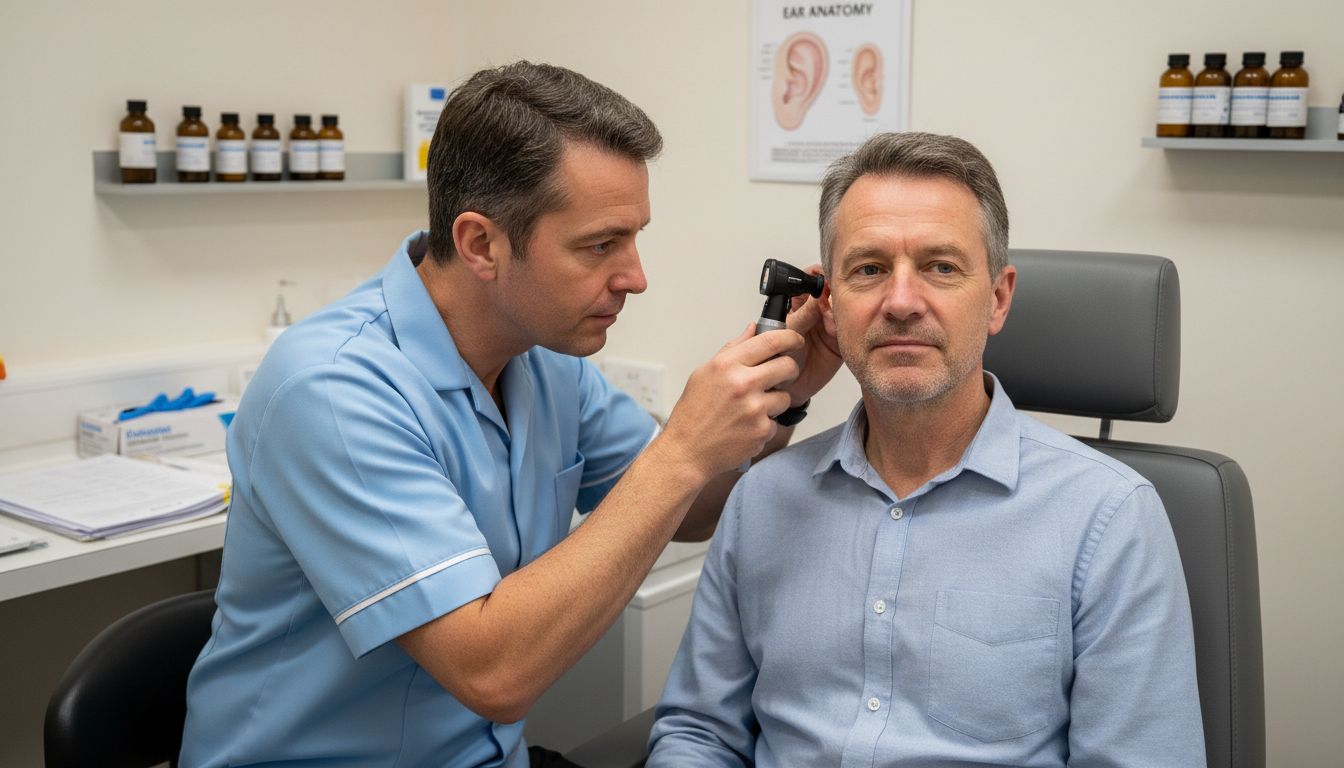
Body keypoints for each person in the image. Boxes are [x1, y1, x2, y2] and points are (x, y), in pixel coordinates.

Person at [179, 61, 839, 768]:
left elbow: (692, 511)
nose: (636, 277)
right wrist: (681, 446)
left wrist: (786, 395)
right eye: (599, 245)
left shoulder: (545, 359)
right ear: (480, 245)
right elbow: (494, 674)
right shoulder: (332, 391)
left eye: (635, 237)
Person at [646, 132, 1206, 767]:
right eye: (869, 269)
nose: (902, 302)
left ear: (997, 298)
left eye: (941, 267)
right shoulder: (763, 496)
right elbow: (699, 734)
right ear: (828, 306)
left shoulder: (1107, 517)